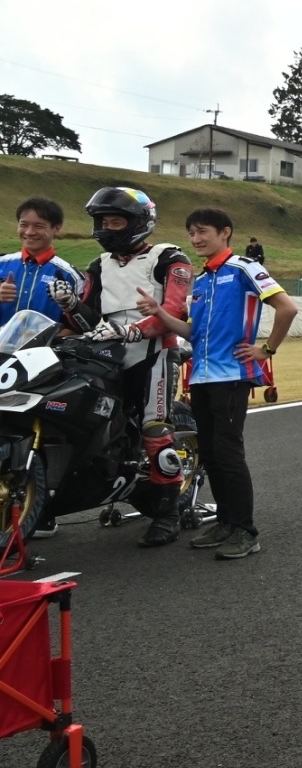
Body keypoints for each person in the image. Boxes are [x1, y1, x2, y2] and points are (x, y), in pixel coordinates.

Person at [138, 208, 294, 560]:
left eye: (202, 231)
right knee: (209, 454)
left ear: (225, 232)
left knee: (228, 453)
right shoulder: (202, 279)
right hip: (201, 378)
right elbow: (191, 331)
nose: (195, 239)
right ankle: (225, 522)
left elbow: (287, 308)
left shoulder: (243, 267)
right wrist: (159, 312)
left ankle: (245, 531)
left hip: (232, 377)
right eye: (191, 233)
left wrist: (267, 349)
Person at [77, 187, 193, 548]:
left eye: (116, 221)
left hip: (153, 353)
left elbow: (174, 310)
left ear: (139, 222)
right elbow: (88, 316)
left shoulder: (169, 258)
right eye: (103, 222)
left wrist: (133, 330)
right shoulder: (99, 265)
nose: (107, 228)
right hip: (108, 354)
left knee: (154, 429)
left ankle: (168, 514)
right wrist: (68, 306)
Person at [0, 198, 83, 328]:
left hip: (46, 342)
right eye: (23, 225)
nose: (29, 232)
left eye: (38, 226)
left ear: (56, 228)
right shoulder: (2, 264)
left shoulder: (70, 275)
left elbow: (79, 327)